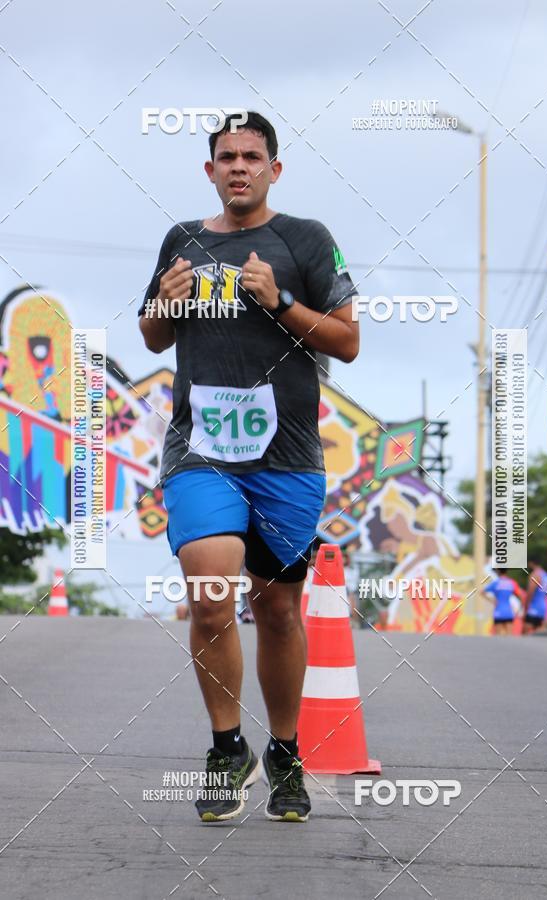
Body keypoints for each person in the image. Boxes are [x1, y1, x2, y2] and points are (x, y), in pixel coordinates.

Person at [138, 111, 359, 820]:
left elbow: (349, 342)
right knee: (210, 594)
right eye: (227, 157)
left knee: (278, 607)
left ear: (274, 168)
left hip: (287, 458)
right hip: (200, 451)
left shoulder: (307, 240)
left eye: (252, 156)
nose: (239, 167)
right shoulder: (184, 240)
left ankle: (286, 753)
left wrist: (282, 301)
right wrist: (161, 306)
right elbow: (151, 335)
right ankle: (227, 746)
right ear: (210, 170)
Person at [481, 568, 524, 636]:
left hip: (498, 611)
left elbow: (482, 592)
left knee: (499, 637)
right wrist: (519, 610)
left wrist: (492, 600)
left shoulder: (496, 583)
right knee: (509, 636)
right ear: (506, 571)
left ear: (498, 572)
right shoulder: (512, 582)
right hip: (508, 612)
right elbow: (521, 596)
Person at [522, 558, 547, 635]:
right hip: (543, 607)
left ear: (531, 563)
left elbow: (530, 592)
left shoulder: (535, 574)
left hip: (533, 607)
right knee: (539, 635)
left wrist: (526, 605)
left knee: (525, 632)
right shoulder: (546, 575)